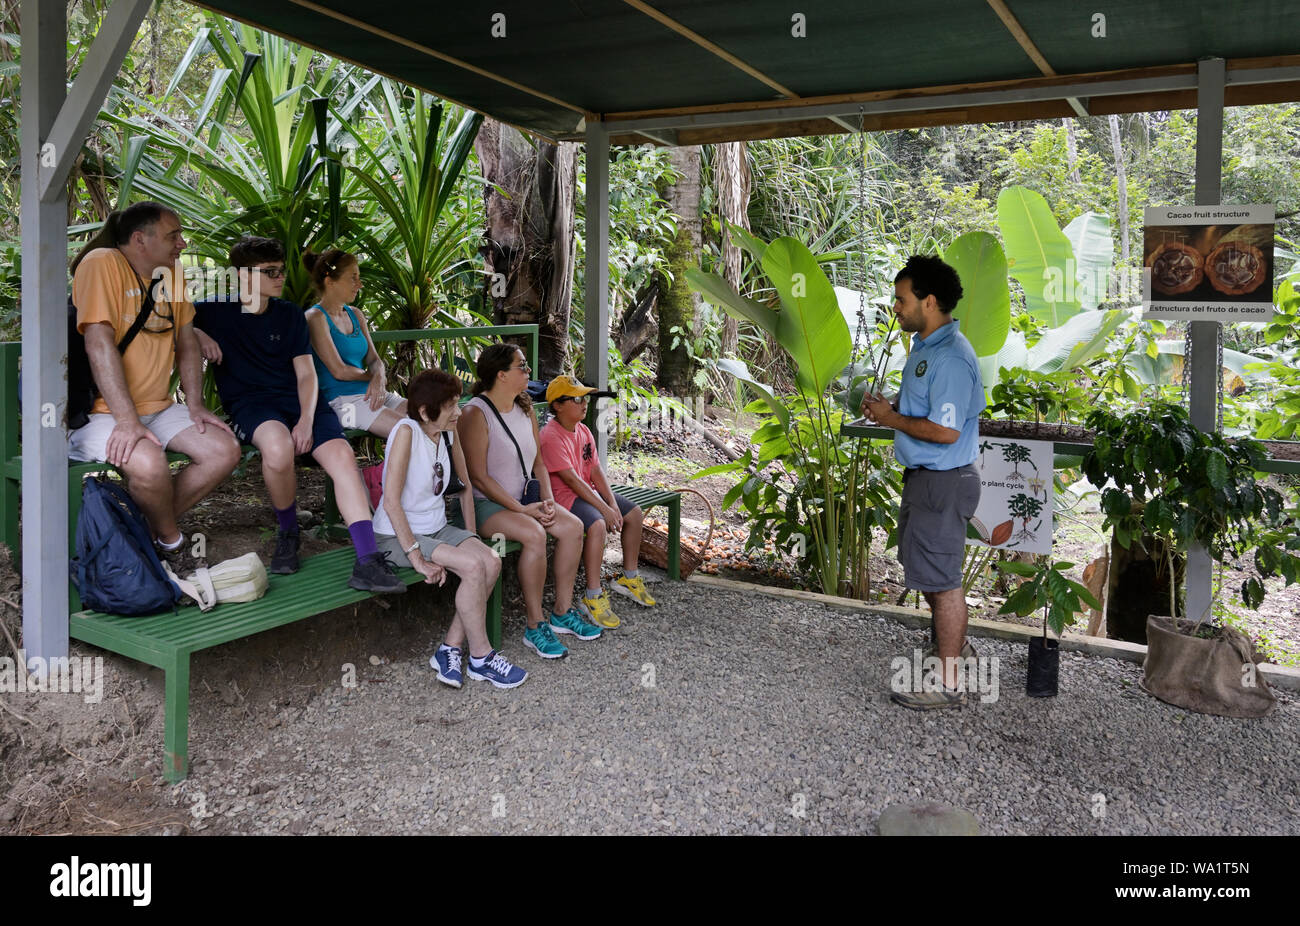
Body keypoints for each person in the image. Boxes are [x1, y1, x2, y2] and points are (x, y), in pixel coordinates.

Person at [192, 236, 403, 593]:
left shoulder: (289, 313)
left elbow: (306, 374)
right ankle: (288, 530)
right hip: (251, 404)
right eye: (269, 271)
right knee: (277, 448)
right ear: (242, 276)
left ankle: (367, 560)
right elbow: (164, 319)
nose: (279, 277)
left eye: (281, 270)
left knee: (341, 456)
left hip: (301, 400)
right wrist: (195, 332)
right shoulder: (212, 311)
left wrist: (306, 419)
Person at [68, 201, 240, 576]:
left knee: (222, 449)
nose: (181, 243)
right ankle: (172, 543)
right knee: (148, 464)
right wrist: (128, 422)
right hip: (98, 410)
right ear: (139, 239)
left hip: (157, 406)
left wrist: (195, 404)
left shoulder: (171, 271)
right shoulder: (101, 263)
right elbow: (99, 344)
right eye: (172, 235)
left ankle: (138, 531)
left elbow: (186, 338)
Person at [863, 255, 985, 710]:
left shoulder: (951, 357)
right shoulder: (927, 346)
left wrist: (892, 418)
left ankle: (949, 681)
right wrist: (889, 407)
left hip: (944, 479)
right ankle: (955, 654)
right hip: (928, 478)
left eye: (901, 299)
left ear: (929, 301)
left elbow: (946, 430)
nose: (895, 307)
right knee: (933, 577)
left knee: (943, 581)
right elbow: (926, 405)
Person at [374, 370, 527, 689]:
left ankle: (450, 647)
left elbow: (466, 487)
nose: (459, 411)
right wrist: (416, 557)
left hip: (437, 528)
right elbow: (390, 502)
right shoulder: (406, 433)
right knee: (472, 567)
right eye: (452, 406)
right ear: (428, 412)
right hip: (396, 536)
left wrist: (472, 537)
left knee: (491, 560)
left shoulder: (447, 432)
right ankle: (482, 658)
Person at [456, 344, 602, 659]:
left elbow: (537, 463)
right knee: (535, 534)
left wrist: (548, 500)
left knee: (573, 527)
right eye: (522, 366)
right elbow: (478, 477)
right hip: (487, 505)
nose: (528, 372)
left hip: (528, 499)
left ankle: (562, 612)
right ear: (501, 374)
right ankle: (535, 626)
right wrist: (520, 509)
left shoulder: (524, 408)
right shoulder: (475, 412)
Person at [540, 374, 656, 629]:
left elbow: (594, 471)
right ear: (557, 405)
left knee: (633, 514)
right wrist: (604, 508)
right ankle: (592, 594)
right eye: (577, 399)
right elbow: (571, 481)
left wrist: (612, 504)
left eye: (586, 399)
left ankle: (629, 577)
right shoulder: (550, 436)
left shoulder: (583, 430)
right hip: (564, 498)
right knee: (597, 525)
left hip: (586, 491)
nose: (585, 404)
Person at [302, 249, 406, 439]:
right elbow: (339, 371)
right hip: (342, 403)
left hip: (371, 394)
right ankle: (376, 471)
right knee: (408, 431)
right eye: (353, 278)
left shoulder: (355, 314)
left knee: (430, 417)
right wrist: (372, 377)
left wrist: (379, 374)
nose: (360, 284)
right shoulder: (315, 317)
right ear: (330, 282)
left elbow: (374, 359)